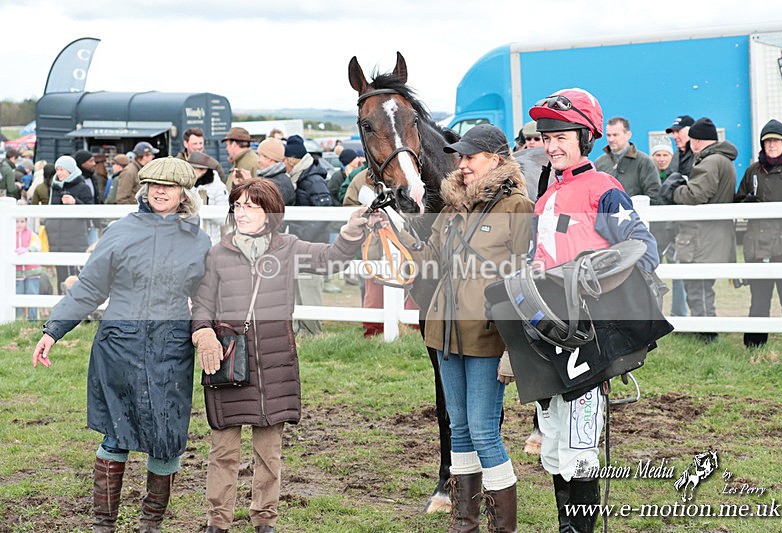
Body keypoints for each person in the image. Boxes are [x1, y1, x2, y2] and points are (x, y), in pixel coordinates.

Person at [31, 157, 212, 532]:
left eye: (169, 186)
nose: (160, 191)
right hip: (120, 347)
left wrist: (210, 332)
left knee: (166, 437)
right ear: (144, 189)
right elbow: (89, 288)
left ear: (184, 193)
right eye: (154, 185)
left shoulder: (198, 241)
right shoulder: (120, 231)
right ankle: (104, 524)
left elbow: (207, 297)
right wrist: (53, 330)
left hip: (170, 350)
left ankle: (150, 525)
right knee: (116, 433)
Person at [191, 178, 374, 533]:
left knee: (268, 452)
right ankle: (218, 522)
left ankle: (265, 520)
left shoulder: (288, 247)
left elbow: (331, 259)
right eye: (238, 206)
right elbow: (203, 302)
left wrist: (352, 229)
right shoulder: (217, 253)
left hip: (275, 365)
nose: (241, 213)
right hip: (229, 362)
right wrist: (203, 332)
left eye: (251, 206)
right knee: (223, 450)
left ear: (270, 213)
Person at [528, 88, 660, 533]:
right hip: (548, 337)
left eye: (561, 137)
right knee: (552, 445)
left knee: (579, 447)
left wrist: (594, 283)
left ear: (585, 138)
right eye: (547, 138)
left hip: (587, 339)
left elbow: (642, 249)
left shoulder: (604, 189)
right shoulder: (545, 198)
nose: (552, 146)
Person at [404, 123, 533, 531]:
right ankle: (464, 521)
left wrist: (515, 347)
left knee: (483, 431)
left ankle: (503, 526)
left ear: (496, 159)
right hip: (444, 332)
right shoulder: (451, 208)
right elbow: (429, 261)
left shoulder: (516, 207)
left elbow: (524, 279)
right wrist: (396, 234)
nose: (461, 164)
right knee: (458, 427)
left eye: (470, 157)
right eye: (460, 157)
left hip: (488, 337)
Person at [662, 117, 737, 343]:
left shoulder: (710, 162)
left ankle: (707, 334)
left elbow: (696, 195)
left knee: (699, 288)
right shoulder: (721, 160)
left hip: (702, 237)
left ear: (697, 141)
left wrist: (674, 191)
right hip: (710, 235)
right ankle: (705, 331)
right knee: (700, 287)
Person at [735, 119, 782, 347]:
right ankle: (754, 346)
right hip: (758, 246)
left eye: (776, 140)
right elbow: (737, 201)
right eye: (767, 141)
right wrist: (746, 203)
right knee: (759, 301)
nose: (771, 145)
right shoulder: (753, 171)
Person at [283, 134, 334, 336]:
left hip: (312, 244)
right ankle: (303, 329)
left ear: (291, 160)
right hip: (303, 242)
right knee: (299, 286)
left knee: (309, 287)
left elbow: (325, 209)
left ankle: (313, 331)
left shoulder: (312, 180)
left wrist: (303, 237)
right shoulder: (302, 177)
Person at [649, 143, 689, 317]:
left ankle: (679, 312)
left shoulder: (678, 176)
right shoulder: (649, 176)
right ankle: (653, 312)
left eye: (665, 155)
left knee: (678, 274)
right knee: (651, 274)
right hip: (653, 233)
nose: (662, 159)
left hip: (673, 232)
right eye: (658, 155)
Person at [46, 156, 94, 292]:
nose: (59, 173)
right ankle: (61, 299)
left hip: (75, 236)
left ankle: (77, 300)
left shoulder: (83, 187)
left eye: (62, 169)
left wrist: (75, 202)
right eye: (57, 169)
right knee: (60, 272)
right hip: (56, 237)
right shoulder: (54, 187)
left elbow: (91, 210)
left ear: (70, 170)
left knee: (77, 271)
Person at [594, 116, 660, 203]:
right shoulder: (599, 163)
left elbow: (654, 194)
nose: (611, 139)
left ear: (628, 135)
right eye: (608, 135)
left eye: (615, 135)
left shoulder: (644, 162)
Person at [188, 151, 229, 245]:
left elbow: (224, 218)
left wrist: (206, 210)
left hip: (211, 240)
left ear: (203, 170)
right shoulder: (191, 185)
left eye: (193, 169)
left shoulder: (219, 187)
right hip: (191, 240)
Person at [254, 137, 295, 207]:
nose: (258, 160)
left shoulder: (278, 184)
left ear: (269, 158)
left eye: (259, 156)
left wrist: (249, 186)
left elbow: (262, 206)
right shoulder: (274, 178)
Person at [15, 216, 42, 321]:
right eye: (17, 221)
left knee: (32, 294)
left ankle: (32, 320)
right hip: (16, 273)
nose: (19, 224)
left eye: (22, 221)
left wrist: (28, 249)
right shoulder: (8, 235)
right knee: (17, 296)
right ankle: (17, 320)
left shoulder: (31, 234)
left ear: (26, 222)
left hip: (32, 271)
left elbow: (38, 245)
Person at [222, 127, 259, 192]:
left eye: (227, 145)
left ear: (234, 144)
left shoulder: (252, 162)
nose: (226, 148)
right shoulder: (240, 160)